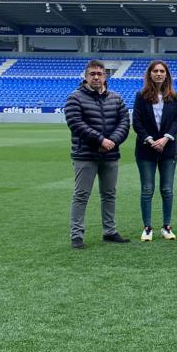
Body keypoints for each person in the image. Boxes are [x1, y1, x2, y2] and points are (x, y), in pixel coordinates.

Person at [64, 59, 130, 248]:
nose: (96, 77)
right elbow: (76, 124)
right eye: (92, 74)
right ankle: (77, 235)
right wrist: (100, 140)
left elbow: (124, 123)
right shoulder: (75, 98)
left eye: (99, 74)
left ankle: (109, 231)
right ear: (85, 76)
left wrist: (112, 142)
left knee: (109, 194)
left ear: (105, 76)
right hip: (85, 155)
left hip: (110, 154)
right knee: (81, 195)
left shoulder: (116, 98)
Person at [132, 60, 177, 242]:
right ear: (150, 74)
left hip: (168, 151)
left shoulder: (174, 97)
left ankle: (166, 227)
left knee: (167, 190)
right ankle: (147, 227)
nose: (159, 74)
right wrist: (150, 139)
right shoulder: (141, 96)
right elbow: (136, 121)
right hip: (146, 150)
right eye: (155, 71)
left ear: (167, 74)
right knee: (147, 189)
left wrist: (166, 138)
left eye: (162, 71)